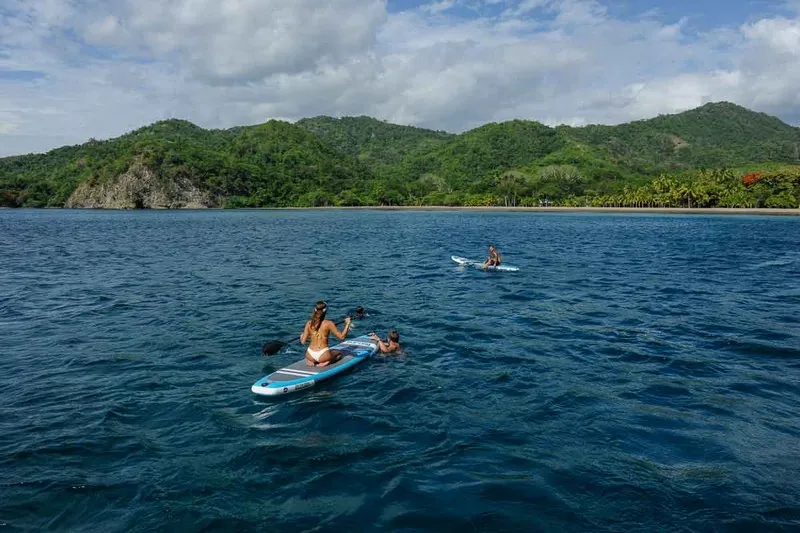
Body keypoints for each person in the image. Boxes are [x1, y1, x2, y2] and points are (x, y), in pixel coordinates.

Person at [301, 300, 351, 367]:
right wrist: (347, 324)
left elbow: (303, 342)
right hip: (323, 355)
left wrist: (302, 336)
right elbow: (342, 337)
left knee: (332, 351)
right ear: (325, 311)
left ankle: (312, 361)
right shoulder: (329, 323)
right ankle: (327, 361)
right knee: (339, 353)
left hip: (310, 354)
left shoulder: (309, 323)